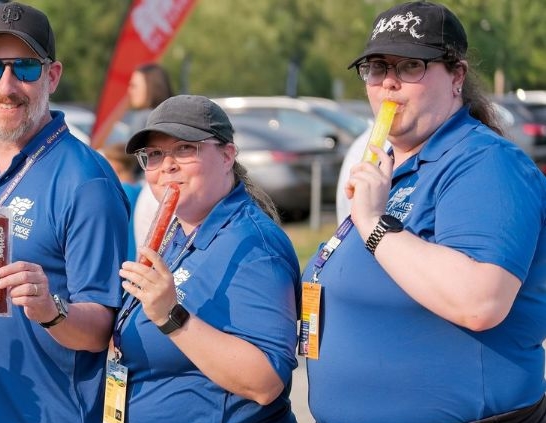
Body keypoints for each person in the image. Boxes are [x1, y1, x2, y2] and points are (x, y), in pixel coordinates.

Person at [305, 2, 546, 422]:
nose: (388, 84)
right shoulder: (392, 166)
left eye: (410, 66)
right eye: (377, 68)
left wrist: (373, 224)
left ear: (457, 76)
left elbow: (480, 300)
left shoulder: (485, 163)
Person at [0, 2, 129, 422]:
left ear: (52, 75)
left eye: (24, 68)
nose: (6, 86)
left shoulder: (86, 181)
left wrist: (52, 310)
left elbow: (101, 329)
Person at [115, 95, 300, 422]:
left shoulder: (254, 245)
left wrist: (172, 316)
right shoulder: (179, 232)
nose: (167, 165)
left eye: (185, 149)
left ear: (227, 156)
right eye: (155, 155)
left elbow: (266, 382)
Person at [126, 63, 175, 249]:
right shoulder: (173, 116)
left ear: (151, 86)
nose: (129, 91)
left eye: (135, 85)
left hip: (146, 192)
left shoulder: (142, 118)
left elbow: (131, 161)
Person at [101, 142, 142, 261]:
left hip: (123, 253)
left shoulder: (123, 190)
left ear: (118, 164)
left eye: (109, 160)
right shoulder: (139, 188)